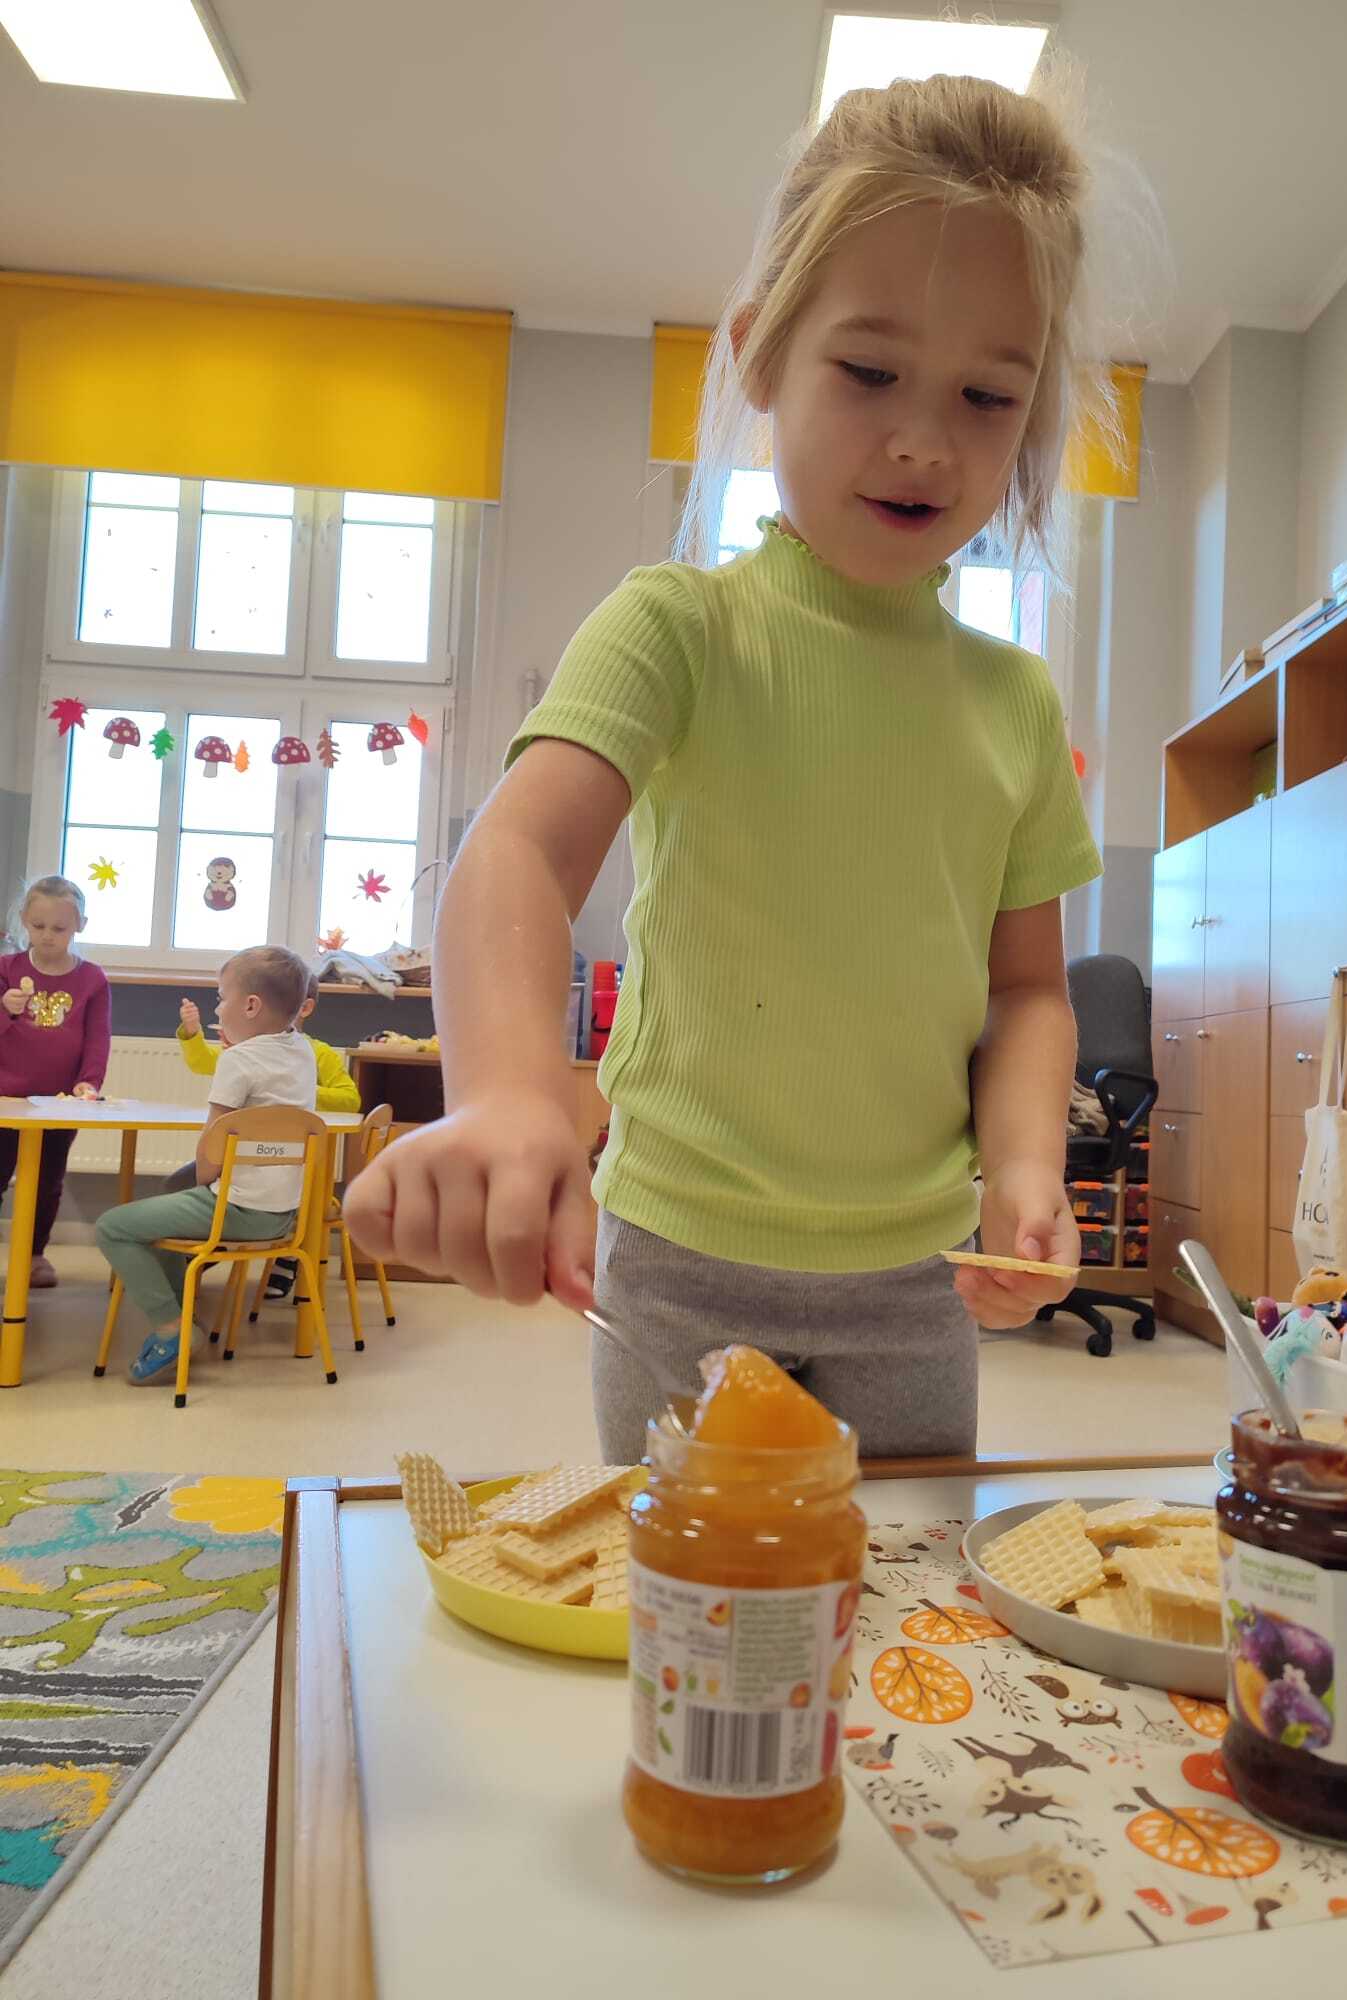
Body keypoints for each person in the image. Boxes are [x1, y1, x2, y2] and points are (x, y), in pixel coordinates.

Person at [346, 74, 1103, 1460]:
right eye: (868, 372)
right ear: (760, 356)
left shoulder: (1015, 700)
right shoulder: (679, 627)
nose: (924, 439)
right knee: (684, 1578)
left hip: (914, 1275)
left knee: (902, 1582)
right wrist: (511, 1091)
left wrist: (1026, 1164)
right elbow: (517, 853)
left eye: (988, 395)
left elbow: (1028, 988)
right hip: (679, 1257)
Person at [97, 946, 317, 1386]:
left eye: (221, 998)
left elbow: (210, 1152)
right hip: (285, 1212)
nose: (217, 1008)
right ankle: (185, 1316)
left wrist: (204, 1183)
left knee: (112, 1228)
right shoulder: (303, 1051)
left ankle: (171, 1327)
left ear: (250, 1006)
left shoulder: (237, 1061)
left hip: (238, 1209)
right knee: (170, 1195)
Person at [169, 964, 360, 1298]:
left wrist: (293, 1093)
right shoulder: (245, 1052)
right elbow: (203, 1063)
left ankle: (275, 1255)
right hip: (249, 1164)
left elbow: (350, 1099)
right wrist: (192, 1032)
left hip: (296, 1174)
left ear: (305, 1007)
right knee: (178, 1183)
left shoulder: (316, 1052)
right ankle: (200, 1256)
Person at [0, 874, 111, 1288]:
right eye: (39, 926)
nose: (47, 936)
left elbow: (97, 1039)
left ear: (80, 925)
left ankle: (33, 1255)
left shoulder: (92, 979)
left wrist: (89, 1083)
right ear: (24, 921)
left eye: (59, 928)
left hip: (59, 1102)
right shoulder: (6, 970)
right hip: (5, 1099)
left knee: (47, 1182)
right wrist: (6, 1009)